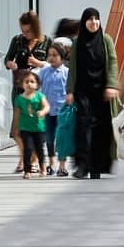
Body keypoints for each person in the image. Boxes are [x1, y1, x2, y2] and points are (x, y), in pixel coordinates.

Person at [67, 8, 121, 180]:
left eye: (96, 19)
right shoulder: (77, 42)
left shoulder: (106, 40)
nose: (94, 22)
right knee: (82, 127)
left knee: (100, 129)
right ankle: (82, 165)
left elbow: (113, 62)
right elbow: (72, 68)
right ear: (84, 22)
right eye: (90, 19)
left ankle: (97, 166)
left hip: (102, 92)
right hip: (83, 91)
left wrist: (112, 85)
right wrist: (70, 90)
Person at [39, 41, 70, 174]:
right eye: (49, 55)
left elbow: (70, 89)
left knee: (62, 138)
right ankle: (51, 164)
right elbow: (38, 87)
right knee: (49, 138)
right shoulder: (44, 71)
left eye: (55, 55)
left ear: (61, 57)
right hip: (47, 111)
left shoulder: (66, 72)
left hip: (62, 111)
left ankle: (62, 165)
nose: (51, 57)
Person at [14, 68, 48, 176]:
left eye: (32, 81)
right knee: (27, 148)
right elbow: (16, 115)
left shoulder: (40, 96)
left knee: (39, 149)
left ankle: (42, 166)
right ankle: (27, 170)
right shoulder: (19, 99)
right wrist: (14, 129)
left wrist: (42, 112)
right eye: (26, 82)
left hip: (38, 128)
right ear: (22, 84)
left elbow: (46, 107)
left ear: (37, 85)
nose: (29, 84)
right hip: (25, 128)